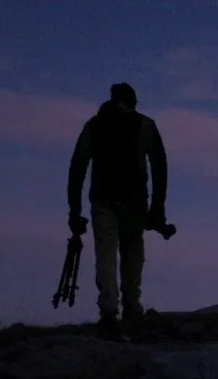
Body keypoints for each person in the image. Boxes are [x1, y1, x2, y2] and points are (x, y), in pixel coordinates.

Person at [66, 82, 168, 337]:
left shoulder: (94, 125)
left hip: (102, 200)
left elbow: (77, 168)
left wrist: (74, 211)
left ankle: (109, 309)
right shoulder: (145, 124)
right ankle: (132, 306)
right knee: (132, 254)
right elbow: (159, 167)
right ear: (132, 100)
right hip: (134, 201)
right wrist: (157, 208)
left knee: (106, 255)